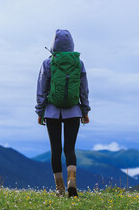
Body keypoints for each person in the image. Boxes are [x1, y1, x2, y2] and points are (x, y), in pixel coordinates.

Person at [35, 29, 91, 197]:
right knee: (70, 149)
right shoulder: (78, 63)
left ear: (53, 45)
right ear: (71, 45)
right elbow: (84, 89)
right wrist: (85, 110)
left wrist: (40, 111)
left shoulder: (47, 63)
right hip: (73, 111)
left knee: (55, 150)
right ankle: (71, 180)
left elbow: (41, 89)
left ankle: (59, 189)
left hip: (52, 112)